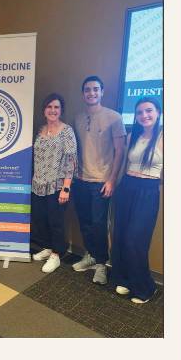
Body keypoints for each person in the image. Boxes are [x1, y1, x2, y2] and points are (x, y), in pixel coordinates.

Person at [72, 75, 126, 284]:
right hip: (80, 180)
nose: (91, 93)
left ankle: (102, 263)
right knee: (85, 222)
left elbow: (120, 151)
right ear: (83, 93)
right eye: (87, 89)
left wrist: (112, 180)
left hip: (101, 181)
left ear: (102, 92)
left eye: (96, 89)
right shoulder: (76, 117)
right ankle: (91, 255)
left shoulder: (114, 117)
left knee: (99, 224)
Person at [111, 98, 164, 304]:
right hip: (127, 187)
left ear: (158, 113)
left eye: (149, 111)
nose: (144, 115)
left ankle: (145, 288)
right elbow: (126, 164)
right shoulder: (133, 135)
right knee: (121, 236)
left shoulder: (164, 137)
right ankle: (125, 279)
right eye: (140, 112)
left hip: (148, 191)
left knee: (135, 240)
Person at [30, 93, 76, 273]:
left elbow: (71, 160)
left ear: (61, 110)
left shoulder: (67, 131)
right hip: (38, 184)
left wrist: (66, 187)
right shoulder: (40, 130)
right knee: (41, 219)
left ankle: (56, 254)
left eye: (56, 107)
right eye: (49, 107)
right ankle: (48, 247)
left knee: (56, 221)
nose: (53, 110)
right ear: (44, 110)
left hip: (57, 185)